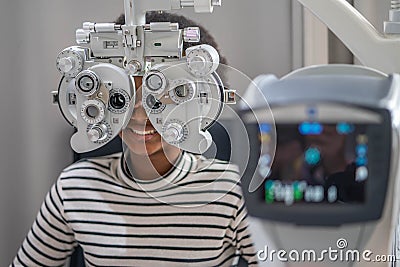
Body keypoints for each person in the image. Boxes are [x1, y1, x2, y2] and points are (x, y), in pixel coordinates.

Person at [11, 12, 259, 267]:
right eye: (122, 98)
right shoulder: (74, 187)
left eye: (164, 97)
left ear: (201, 102)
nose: (139, 116)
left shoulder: (230, 190)